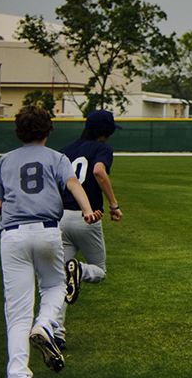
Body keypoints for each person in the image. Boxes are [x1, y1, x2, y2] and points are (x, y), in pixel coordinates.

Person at [0, 104, 99, 377]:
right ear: (49, 129)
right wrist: (86, 210)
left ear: (18, 132)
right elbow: (74, 184)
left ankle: (17, 371)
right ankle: (45, 325)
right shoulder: (56, 157)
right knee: (54, 286)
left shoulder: (5, 160)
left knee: (16, 308)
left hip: (12, 235)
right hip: (48, 230)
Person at [58, 110, 124, 343]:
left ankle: (56, 333)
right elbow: (98, 171)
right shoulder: (102, 149)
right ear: (105, 132)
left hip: (60, 218)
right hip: (88, 218)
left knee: (59, 280)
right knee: (99, 271)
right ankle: (80, 270)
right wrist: (114, 205)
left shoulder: (65, 150)